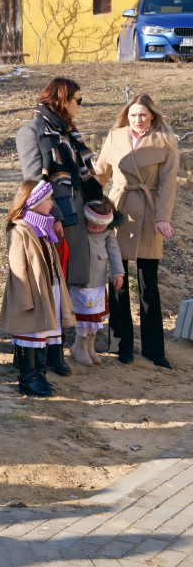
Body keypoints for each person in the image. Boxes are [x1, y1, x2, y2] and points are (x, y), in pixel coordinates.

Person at [16, 77, 102, 377]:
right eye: (77, 99)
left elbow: (83, 175)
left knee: (63, 285)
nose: (80, 105)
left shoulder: (68, 133)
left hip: (74, 215)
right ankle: (44, 353)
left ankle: (58, 346)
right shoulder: (33, 132)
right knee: (49, 285)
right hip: (50, 219)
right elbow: (33, 183)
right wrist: (51, 219)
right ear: (61, 100)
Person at [94, 94, 179, 368]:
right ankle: (121, 345)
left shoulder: (166, 141)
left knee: (148, 284)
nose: (137, 118)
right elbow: (100, 175)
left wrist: (163, 218)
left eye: (142, 114)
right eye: (133, 114)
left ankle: (154, 351)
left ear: (152, 115)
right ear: (127, 115)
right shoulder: (114, 136)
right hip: (119, 210)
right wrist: (93, 208)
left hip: (151, 212)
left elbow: (168, 185)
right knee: (117, 279)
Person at [0, 180, 76, 397]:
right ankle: (27, 379)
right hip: (30, 294)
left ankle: (39, 375)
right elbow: (18, 270)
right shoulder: (20, 231)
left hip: (47, 291)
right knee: (29, 335)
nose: (52, 203)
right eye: (48, 199)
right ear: (33, 202)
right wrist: (25, 301)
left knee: (42, 336)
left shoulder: (42, 226)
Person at [69, 201, 124, 366]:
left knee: (95, 312)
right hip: (79, 276)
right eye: (94, 223)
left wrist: (118, 272)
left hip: (98, 276)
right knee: (83, 312)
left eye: (102, 224)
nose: (98, 227)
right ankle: (79, 345)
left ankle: (89, 345)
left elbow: (113, 249)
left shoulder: (107, 229)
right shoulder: (77, 226)